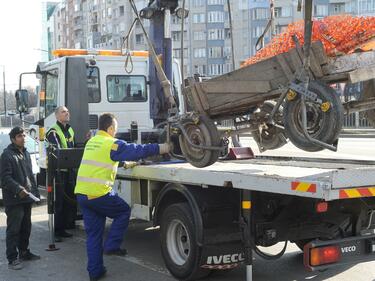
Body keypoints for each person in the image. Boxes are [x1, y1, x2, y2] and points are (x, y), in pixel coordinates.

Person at [74, 113, 170, 281]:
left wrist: (123, 163)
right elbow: (136, 150)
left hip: (83, 194)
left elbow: (101, 158)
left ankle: (95, 272)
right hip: (98, 193)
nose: (116, 132)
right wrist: (162, 148)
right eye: (115, 129)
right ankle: (112, 245)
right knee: (123, 211)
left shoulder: (93, 142)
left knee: (94, 235)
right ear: (110, 128)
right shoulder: (111, 143)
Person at [0, 126, 41, 270]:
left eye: (23, 135)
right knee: (14, 230)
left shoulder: (26, 153)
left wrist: (35, 194)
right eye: (19, 136)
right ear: (13, 139)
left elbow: (30, 176)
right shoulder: (7, 155)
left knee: (26, 227)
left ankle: (24, 252)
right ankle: (12, 258)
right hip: (14, 199)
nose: (23, 138)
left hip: (27, 197)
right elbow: (5, 178)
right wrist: (18, 189)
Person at [46, 106, 76, 241]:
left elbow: (72, 149)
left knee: (69, 199)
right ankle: (57, 231)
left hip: (69, 170)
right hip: (58, 172)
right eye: (64, 111)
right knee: (59, 202)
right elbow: (58, 152)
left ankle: (65, 226)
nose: (67, 113)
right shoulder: (52, 131)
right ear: (57, 116)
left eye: (68, 111)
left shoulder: (70, 129)